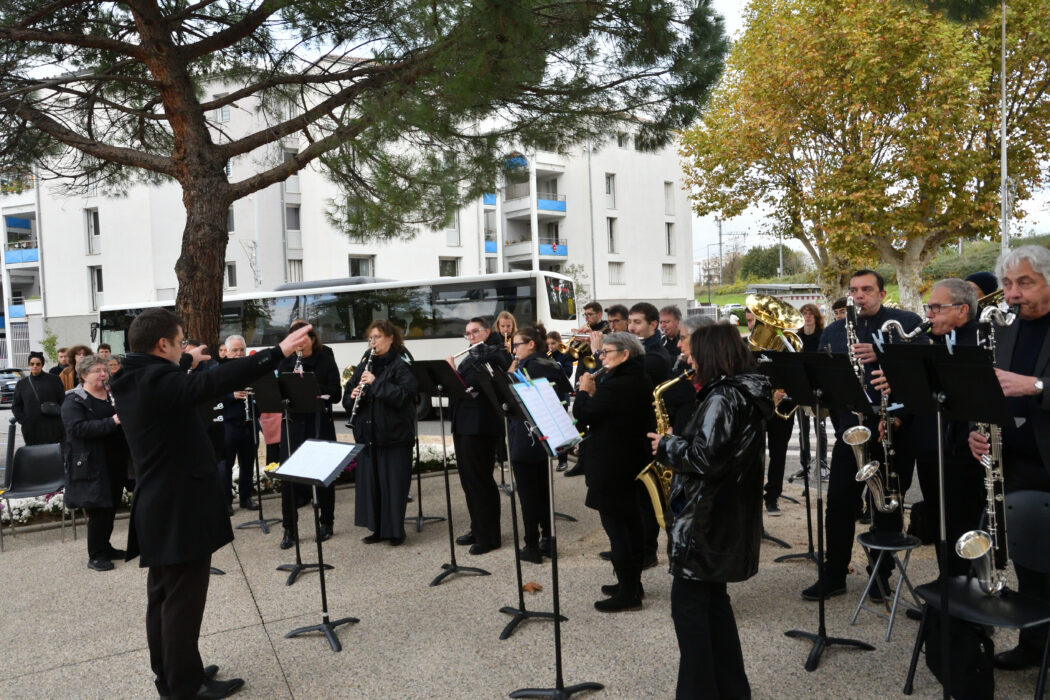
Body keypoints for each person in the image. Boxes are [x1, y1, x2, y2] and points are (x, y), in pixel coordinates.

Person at [110, 307, 311, 699]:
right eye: (181, 340)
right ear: (162, 344)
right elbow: (215, 380)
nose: (185, 346)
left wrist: (187, 358)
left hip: (160, 506)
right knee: (181, 602)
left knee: (164, 598)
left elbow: (172, 377)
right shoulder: (157, 381)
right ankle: (184, 687)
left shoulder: (132, 376)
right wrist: (278, 351)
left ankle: (174, 673)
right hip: (178, 508)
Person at [650, 322, 771, 700]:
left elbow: (706, 459)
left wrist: (667, 446)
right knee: (714, 611)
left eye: (693, 352)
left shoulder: (723, 397)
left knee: (691, 618)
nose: (687, 358)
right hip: (721, 517)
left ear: (712, 355)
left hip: (704, 521)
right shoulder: (745, 391)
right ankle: (732, 691)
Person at [803, 269, 922, 601]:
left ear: (882, 293)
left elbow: (922, 376)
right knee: (839, 503)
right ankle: (834, 574)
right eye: (854, 290)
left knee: (886, 506)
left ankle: (880, 574)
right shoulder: (836, 332)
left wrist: (898, 412)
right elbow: (825, 381)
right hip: (851, 431)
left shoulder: (905, 323)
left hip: (892, 430)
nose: (859, 295)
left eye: (867, 289)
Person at [969, 245, 1050, 671]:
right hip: (1015, 466)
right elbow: (987, 391)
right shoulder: (1004, 329)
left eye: (1025, 283)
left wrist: (1036, 387)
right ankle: (1034, 646)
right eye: (1007, 284)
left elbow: (1024, 386)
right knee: (1029, 560)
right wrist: (975, 434)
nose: (1013, 294)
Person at [904, 279, 984, 579]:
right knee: (941, 526)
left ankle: (967, 601)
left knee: (962, 527)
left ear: (963, 310)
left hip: (961, 454)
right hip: (932, 449)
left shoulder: (977, 344)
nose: (929, 315)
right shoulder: (934, 344)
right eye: (929, 308)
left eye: (937, 308)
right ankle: (947, 587)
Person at [573, 332, 654, 611]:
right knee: (629, 525)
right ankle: (631, 583)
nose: (602, 356)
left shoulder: (618, 384)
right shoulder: (634, 377)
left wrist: (584, 391)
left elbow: (584, 415)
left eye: (606, 352)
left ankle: (628, 594)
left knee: (618, 529)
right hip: (627, 461)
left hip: (613, 465)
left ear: (625, 354)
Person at [345, 320, 418, 546]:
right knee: (372, 486)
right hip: (369, 434)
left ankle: (395, 532)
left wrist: (376, 384)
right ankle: (376, 529)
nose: (373, 342)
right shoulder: (367, 360)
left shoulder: (402, 362)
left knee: (393, 486)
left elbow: (406, 396)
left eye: (377, 337)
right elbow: (349, 389)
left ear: (391, 338)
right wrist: (353, 394)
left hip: (394, 435)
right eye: (371, 338)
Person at [446, 317, 510, 554]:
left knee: (480, 480)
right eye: (468, 333)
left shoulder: (495, 354)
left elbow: (475, 386)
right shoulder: (473, 354)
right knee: (468, 480)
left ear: (487, 331)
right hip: (463, 423)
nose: (470, 337)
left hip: (481, 425)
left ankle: (490, 535)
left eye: (475, 332)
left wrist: (452, 373)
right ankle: (478, 528)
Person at [62, 354, 129, 572]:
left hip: (116, 460)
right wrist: (112, 422)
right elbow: (77, 429)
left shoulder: (111, 395)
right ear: (84, 375)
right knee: (99, 510)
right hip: (92, 464)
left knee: (111, 506)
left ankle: (106, 547)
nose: (104, 374)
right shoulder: (74, 400)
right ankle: (96, 555)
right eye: (98, 371)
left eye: (105, 370)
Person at [278, 321, 342, 548]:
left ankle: (326, 521)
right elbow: (277, 393)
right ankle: (289, 528)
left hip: (318, 422)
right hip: (293, 424)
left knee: (323, 474)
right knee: (288, 477)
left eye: (304, 338)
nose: (300, 344)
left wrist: (313, 386)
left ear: (313, 339)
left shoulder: (325, 359)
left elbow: (336, 394)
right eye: (295, 339)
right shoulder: (285, 361)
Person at [507, 324, 567, 563]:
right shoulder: (550, 363)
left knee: (528, 495)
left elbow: (514, 401)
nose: (514, 350)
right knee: (542, 491)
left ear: (531, 344)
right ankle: (547, 541)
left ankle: (531, 545)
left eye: (516, 345)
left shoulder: (525, 368)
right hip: (545, 435)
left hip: (525, 436)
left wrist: (510, 375)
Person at [627, 302, 671, 567]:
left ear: (653, 325)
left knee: (645, 497)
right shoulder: (639, 351)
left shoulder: (655, 355)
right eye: (630, 322)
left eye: (637, 322)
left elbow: (632, 379)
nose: (631, 327)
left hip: (648, 433)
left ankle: (647, 551)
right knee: (634, 496)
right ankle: (634, 546)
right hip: (633, 430)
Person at [744, 307, 794, 517]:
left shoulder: (786, 346)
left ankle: (772, 495)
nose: (752, 326)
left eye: (756, 322)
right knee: (752, 453)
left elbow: (796, 375)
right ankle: (751, 496)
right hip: (756, 406)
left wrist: (783, 391)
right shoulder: (745, 346)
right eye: (749, 321)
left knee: (778, 452)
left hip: (781, 405)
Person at [221, 335, 259, 512]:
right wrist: (231, 395)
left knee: (248, 462)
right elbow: (212, 394)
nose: (238, 353)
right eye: (234, 350)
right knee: (226, 464)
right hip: (229, 423)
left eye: (241, 350)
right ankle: (226, 501)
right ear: (227, 352)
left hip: (249, 421)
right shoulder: (220, 369)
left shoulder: (251, 368)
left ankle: (246, 497)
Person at [793, 303, 828, 484]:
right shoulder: (796, 337)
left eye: (810, 314)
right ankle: (805, 464)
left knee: (819, 427)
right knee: (803, 429)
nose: (807, 317)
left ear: (816, 317)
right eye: (804, 314)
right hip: (802, 385)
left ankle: (821, 464)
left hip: (818, 386)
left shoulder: (822, 336)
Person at [12, 351, 65, 444]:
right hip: (31, 428)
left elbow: (63, 401)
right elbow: (16, 406)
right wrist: (24, 421)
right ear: (29, 365)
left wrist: (59, 421)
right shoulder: (22, 384)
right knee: (33, 455)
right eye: (32, 364)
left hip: (52, 427)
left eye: (38, 364)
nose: (35, 366)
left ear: (42, 365)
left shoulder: (54, 380)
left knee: (52, 455)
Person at [545, 330, 574, 472]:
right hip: (547, 395)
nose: (550, 346)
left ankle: (563, 460)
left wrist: (558, 366)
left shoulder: (564, 355)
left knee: (562, 428)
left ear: (559, 343)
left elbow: (568, 372)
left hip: (561, 395)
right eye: (548, 344)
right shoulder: (543, 356)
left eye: (553, 343)